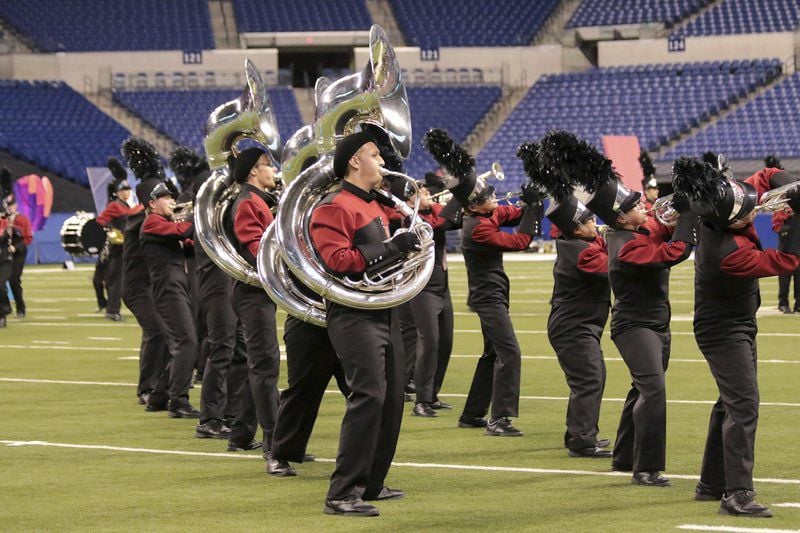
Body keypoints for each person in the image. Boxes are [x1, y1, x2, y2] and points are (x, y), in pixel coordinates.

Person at [541, 130, 697, 486]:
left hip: (657, 322)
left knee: (642, 389)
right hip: (635, 326)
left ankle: (625, 457)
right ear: (622, 219)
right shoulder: (623, 245)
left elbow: (660, 227)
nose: (644, 209)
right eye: (635, 207)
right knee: (653, 390)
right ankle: (647, 468)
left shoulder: (634, 230)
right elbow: (674, 252)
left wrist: (685, 202)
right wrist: (687, 218)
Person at [674, 158, 800, 517]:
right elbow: (787, 261)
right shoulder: (731, 253)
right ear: (730, 220)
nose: (754, 210)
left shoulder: (725, 205)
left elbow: (764, 177)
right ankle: (737, 494)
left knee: (729, 402)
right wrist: (796, 216)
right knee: (744, 405)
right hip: (723, 329)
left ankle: (711, 483)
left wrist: (789, 183)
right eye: (748, 213)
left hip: (735, 323)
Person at [309, 131, 419, 516]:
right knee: (369, 397)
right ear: (355, 161)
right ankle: (341, 492)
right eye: (374, 155)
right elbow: (337, 260)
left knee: (391, 400)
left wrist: (406, 245)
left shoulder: (372, 204)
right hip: (354, 315)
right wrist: (393, 247)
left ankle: (371, 482)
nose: (382, 161)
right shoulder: (332, 206)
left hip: (383, 309)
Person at [423, 128, 540, 437]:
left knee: (492, 353)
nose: (494, 199)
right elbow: (521, 241)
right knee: (510, 352)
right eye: (488, 197)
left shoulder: (484, 215)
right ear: (473, 206)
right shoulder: (477, 228)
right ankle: (499, 419)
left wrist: (532, 202)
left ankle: (473, 413)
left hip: (493, 294)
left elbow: (512, 214)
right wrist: (534, 210)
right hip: (488, 297)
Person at [518, 139, 611, 457]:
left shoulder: (583, 243)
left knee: (594, 375)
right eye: (587, 221)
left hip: (580, 324)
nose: (593, 224)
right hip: (573, 326)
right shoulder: (579, 251)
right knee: (589, 377)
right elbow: (612, 267)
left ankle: (585, 433)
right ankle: (581, 438)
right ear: (575, 227)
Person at [125, 137, 200, 419]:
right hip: (167, 289)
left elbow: (187, 245)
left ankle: (159, 397)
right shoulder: (152, 222)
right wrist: (199, 215)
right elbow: (182, 233)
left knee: (181, 343)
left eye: (171, 196)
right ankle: (177, 400)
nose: (171, 200)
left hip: (176, 287)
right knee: (186, 343)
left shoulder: (164, 222)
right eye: (166, 197)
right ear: (152, 203)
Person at [229, 146, 286, 473]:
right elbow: (257, 251)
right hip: (252, 293)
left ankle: (241, 434)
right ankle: (274, 445)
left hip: (259, 292)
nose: (273, 170)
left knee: (261, 365)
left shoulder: (259, 201)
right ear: (253, 171)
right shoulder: (248, 203)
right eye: (268, 165)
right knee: (265, 367)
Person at [390, 176, 457, 417]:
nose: (430, 195)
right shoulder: (407, 217)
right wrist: (455, 198)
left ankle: (432, 394)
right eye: (423, 192)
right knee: (429, 341)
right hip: (423, 286)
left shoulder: (431, 212)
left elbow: (450, 220)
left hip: (442, 285)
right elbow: (437, 225)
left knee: (445, 342)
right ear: (410, 199)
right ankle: (421, 401)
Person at [125, 179, 170, 406]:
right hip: (136, 286)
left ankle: (161, 384)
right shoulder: (138, 219)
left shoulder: (154, 217)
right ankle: (146, 387)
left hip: (153, 285)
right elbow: (141, 220)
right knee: (156, 331)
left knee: (166, 332)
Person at [96, 158, 132, 322]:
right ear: (117, 192)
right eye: (123, 189)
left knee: (117, 279)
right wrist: (111, 230)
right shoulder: (115, 206)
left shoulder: (126, 206)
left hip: (125, 247)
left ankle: (113, 307)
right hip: (117, 247)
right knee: (117, 279)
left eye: (128, 188)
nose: (127, 191)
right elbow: (100, 220)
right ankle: (112, 310)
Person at [764, 155, 800, 313]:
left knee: (799, 273)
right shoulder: (786, 201)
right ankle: (783, 302)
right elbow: (778, 223)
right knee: (786, 271)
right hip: (788, 235)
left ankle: (798, 303)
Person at [4, 192, 33, 319]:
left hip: (18, 252)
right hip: (5, 251)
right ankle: (5, 308)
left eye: (11, 205)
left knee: (14, 279)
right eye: (7, 205)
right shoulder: (3, 218)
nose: (9, 208)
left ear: (16, 205)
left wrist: (15, 247)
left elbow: (28, 238)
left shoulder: (22, 219)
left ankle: (21, 308)